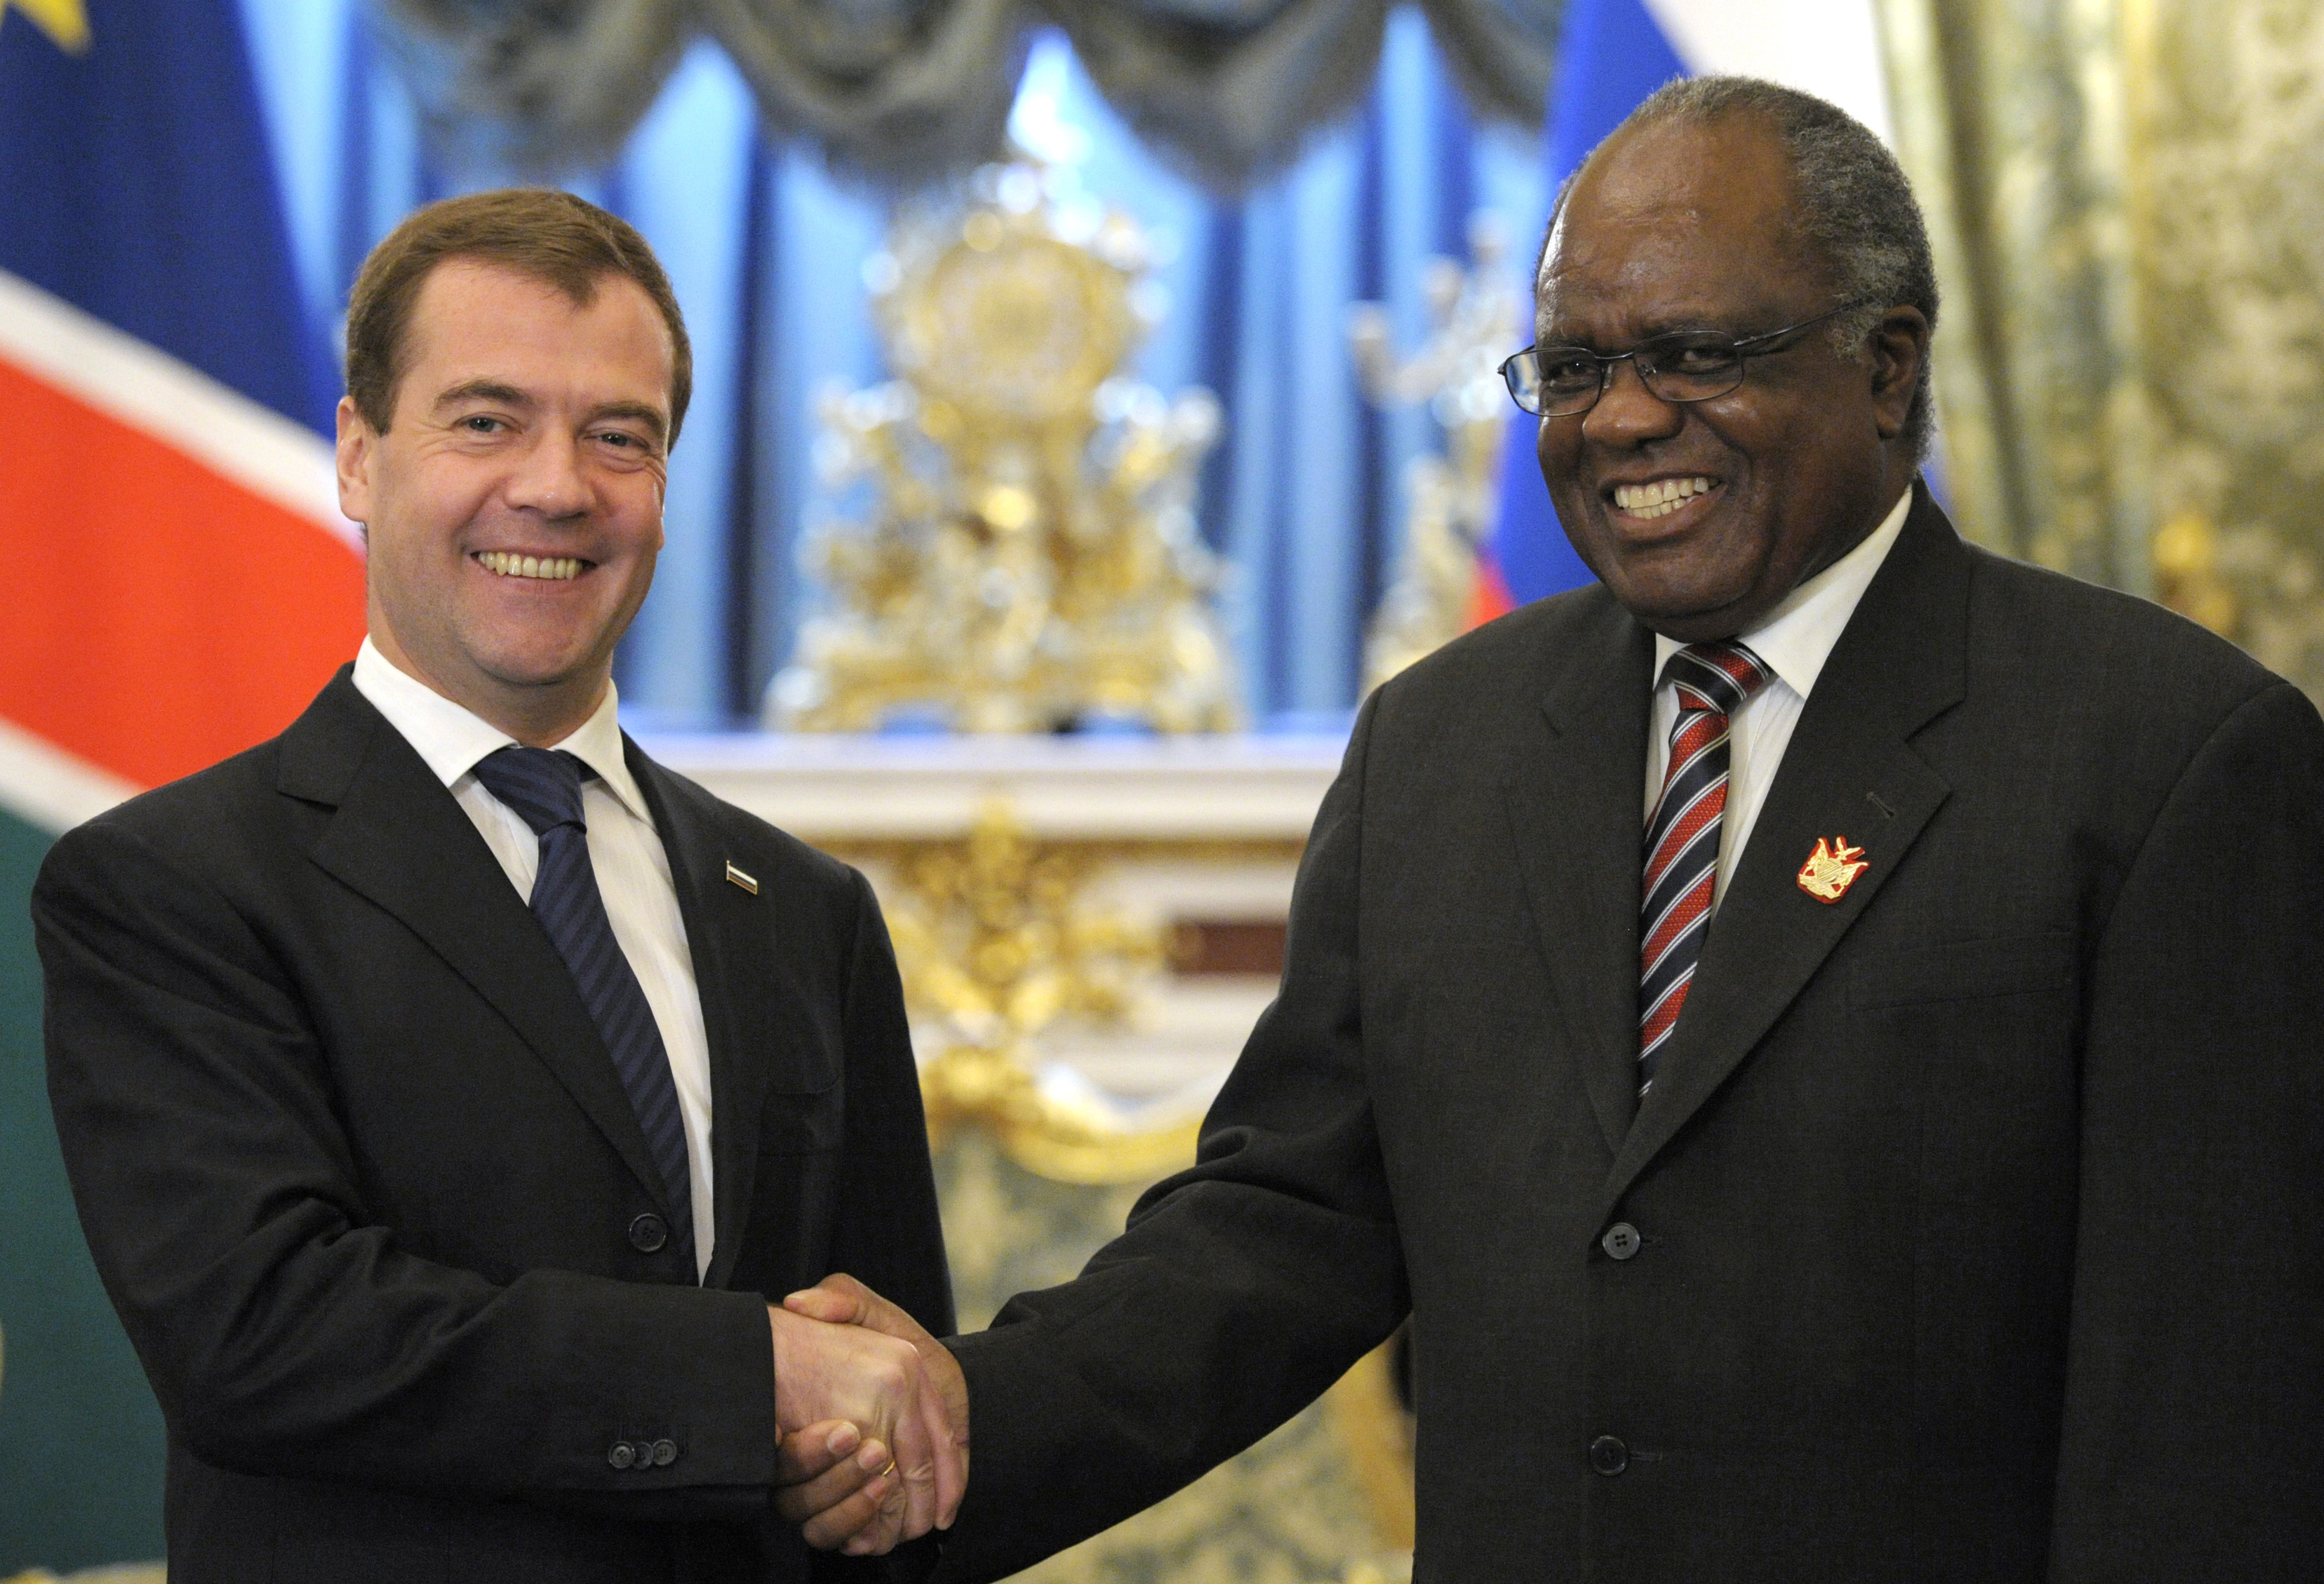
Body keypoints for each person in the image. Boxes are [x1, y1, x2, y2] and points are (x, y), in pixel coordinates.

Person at [777, 78, 2324, 1580]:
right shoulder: (1438, 745)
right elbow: (1286, 1222)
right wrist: (975, 1414)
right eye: (1572, 369)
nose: (1625, 419)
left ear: (1889, 367)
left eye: (1697, 352)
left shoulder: (2167, 756)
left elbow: (2203, 1401)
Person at [36, 189, 967, 1583]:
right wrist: (751, 1379)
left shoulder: (802, 907)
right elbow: (264, 1337)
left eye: (620, 436)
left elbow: (888, 1362)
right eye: (486, 419)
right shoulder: (169, 886)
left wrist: (879, 1458)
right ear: (358, 455)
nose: (556, 485)